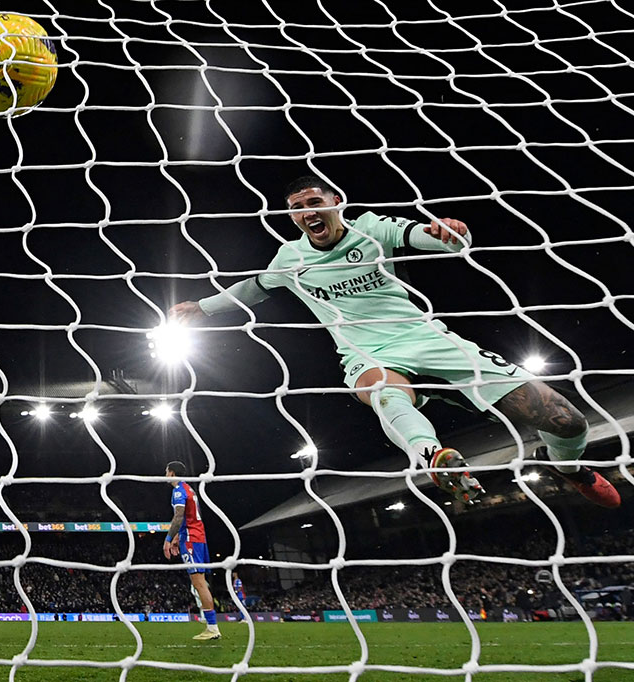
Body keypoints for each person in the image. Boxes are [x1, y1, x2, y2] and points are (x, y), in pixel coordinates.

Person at [170, 175, 620, 508]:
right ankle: (433, 457)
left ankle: (568, 467)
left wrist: (449, 233)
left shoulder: (371, 228)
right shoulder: (291, 258)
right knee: (384, 390)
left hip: (425, 337)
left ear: (336, 202)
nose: (307, 212)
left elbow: (429, 238)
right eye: (297, 208)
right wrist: (202, 307)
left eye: (314, 202)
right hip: (366, 353)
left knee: (566, 421)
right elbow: (253, 288)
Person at [163, 461, 220, 640]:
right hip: (197, 536)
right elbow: (191, 516)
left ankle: (212, 628)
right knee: (200, 582)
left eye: (166, 472)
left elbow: (179, 516)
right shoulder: (189, 489)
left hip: (191, 539)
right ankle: (211, 625)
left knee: (198, 583)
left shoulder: (178, 491)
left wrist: (168, 539)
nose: (165, 475)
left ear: (172, 473)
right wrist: (177, 538)